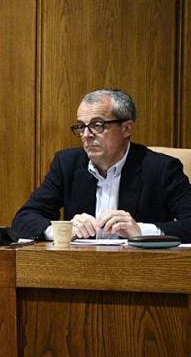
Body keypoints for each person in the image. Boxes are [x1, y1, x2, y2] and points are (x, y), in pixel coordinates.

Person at [12, 88, 191, 242]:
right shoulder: (67, 164)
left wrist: (140, 231)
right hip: (78, 267)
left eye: (97, 125)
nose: (86, 135)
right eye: (81, 126)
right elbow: (24, 219)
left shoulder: (161, 169)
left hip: (142, 267)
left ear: (127, 128)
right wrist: (62, 231)